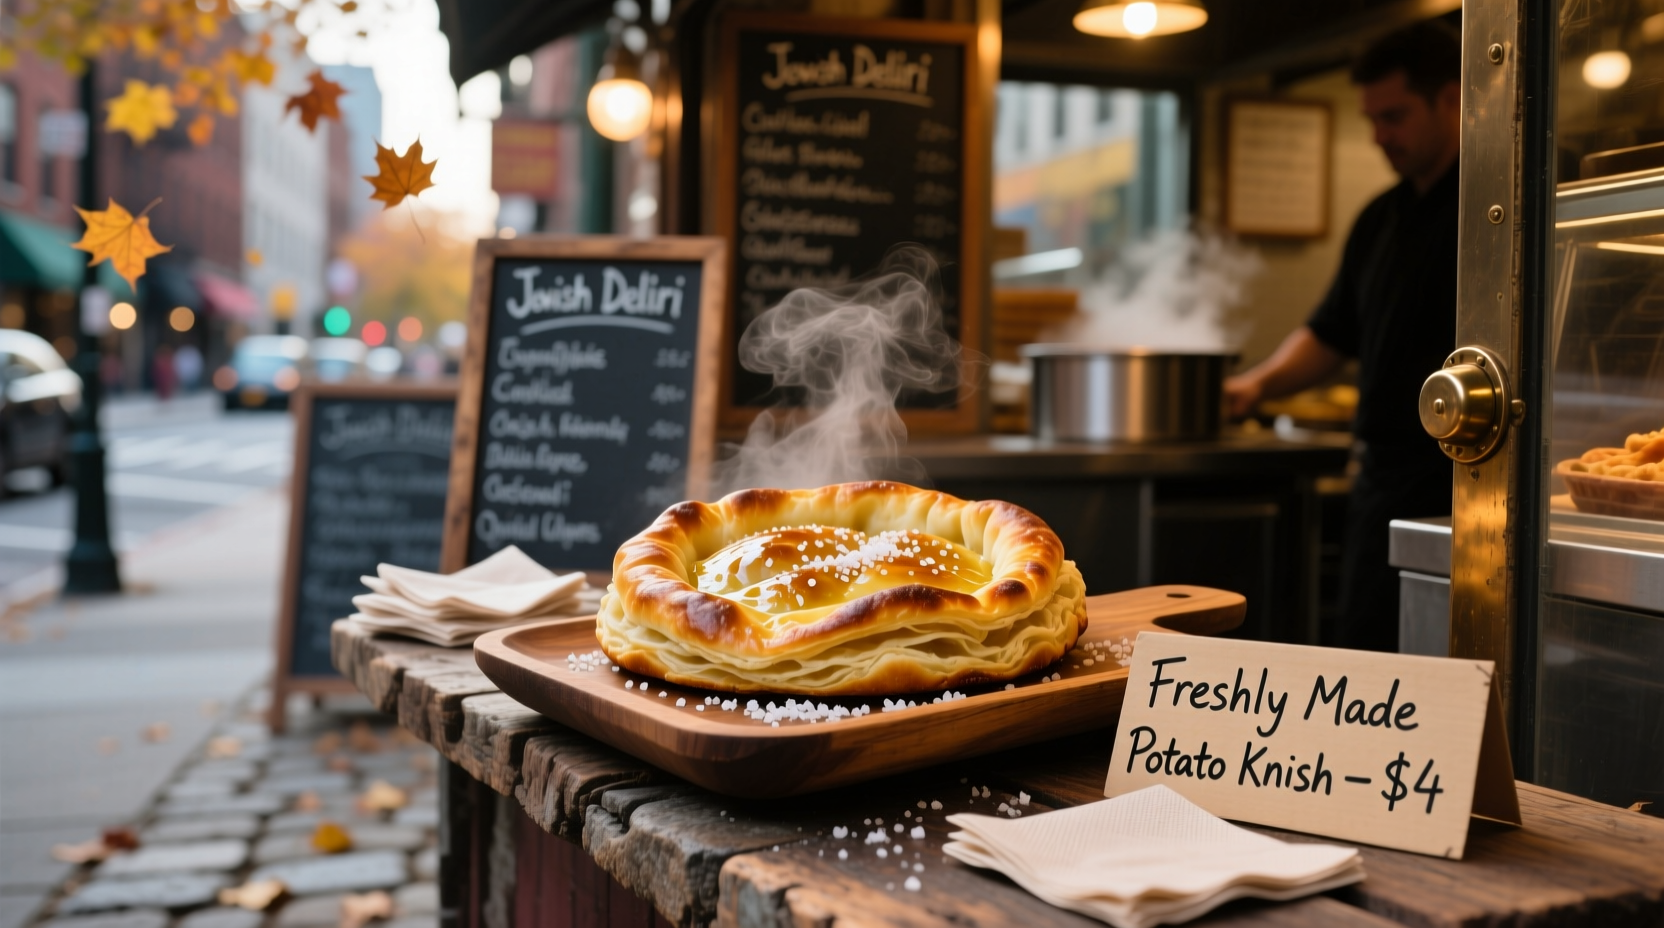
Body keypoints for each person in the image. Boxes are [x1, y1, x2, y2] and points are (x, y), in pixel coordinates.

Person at [1223, 21, 1461, 652]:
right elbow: (1332, 333)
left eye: (1395, 116)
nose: (1381, 136)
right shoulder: (1380, 218)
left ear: (1453, 97)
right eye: (1372, 120)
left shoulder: (1492, 206)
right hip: (1381, 480)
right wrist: (1255, 386)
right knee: (1370, 650)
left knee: (1447, 664)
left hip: (1463, 489)